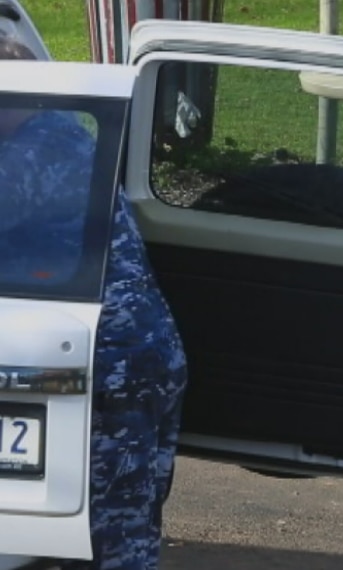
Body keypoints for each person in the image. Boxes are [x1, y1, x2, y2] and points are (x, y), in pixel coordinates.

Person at [0, 38, 187, 569]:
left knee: (111, 538)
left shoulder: (43, 150)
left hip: (110, 368)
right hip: (115, 356)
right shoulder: (44, 138)